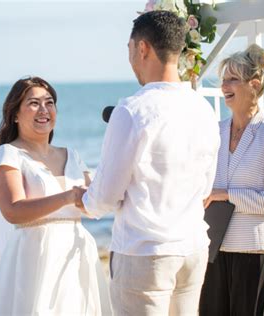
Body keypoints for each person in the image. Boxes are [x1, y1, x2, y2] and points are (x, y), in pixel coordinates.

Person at [76, 11, 220, 315]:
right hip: (193, 246)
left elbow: (106, 195)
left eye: (129, 50)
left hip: (145, 251)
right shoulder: (204, 109)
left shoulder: (132, 110)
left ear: (142, 48)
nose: (130, 60)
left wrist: (86, 200)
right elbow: (206, 186)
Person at [0, 76, 111, 315]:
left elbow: (95, 204)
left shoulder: (71, 155)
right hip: (36, 254)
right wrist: (67, 197)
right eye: (33, 103)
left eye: (49, 102)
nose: (44, 110)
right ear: (15, 114)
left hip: (77, 251)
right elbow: (13, 211)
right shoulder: (8, 154)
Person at [199, 44, 264, 316]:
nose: (224, 86)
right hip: (212, 247)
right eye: (223, 79)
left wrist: (228, 195)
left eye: (232, 79)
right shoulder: (214, 131)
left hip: (251, 249)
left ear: (253, 85)